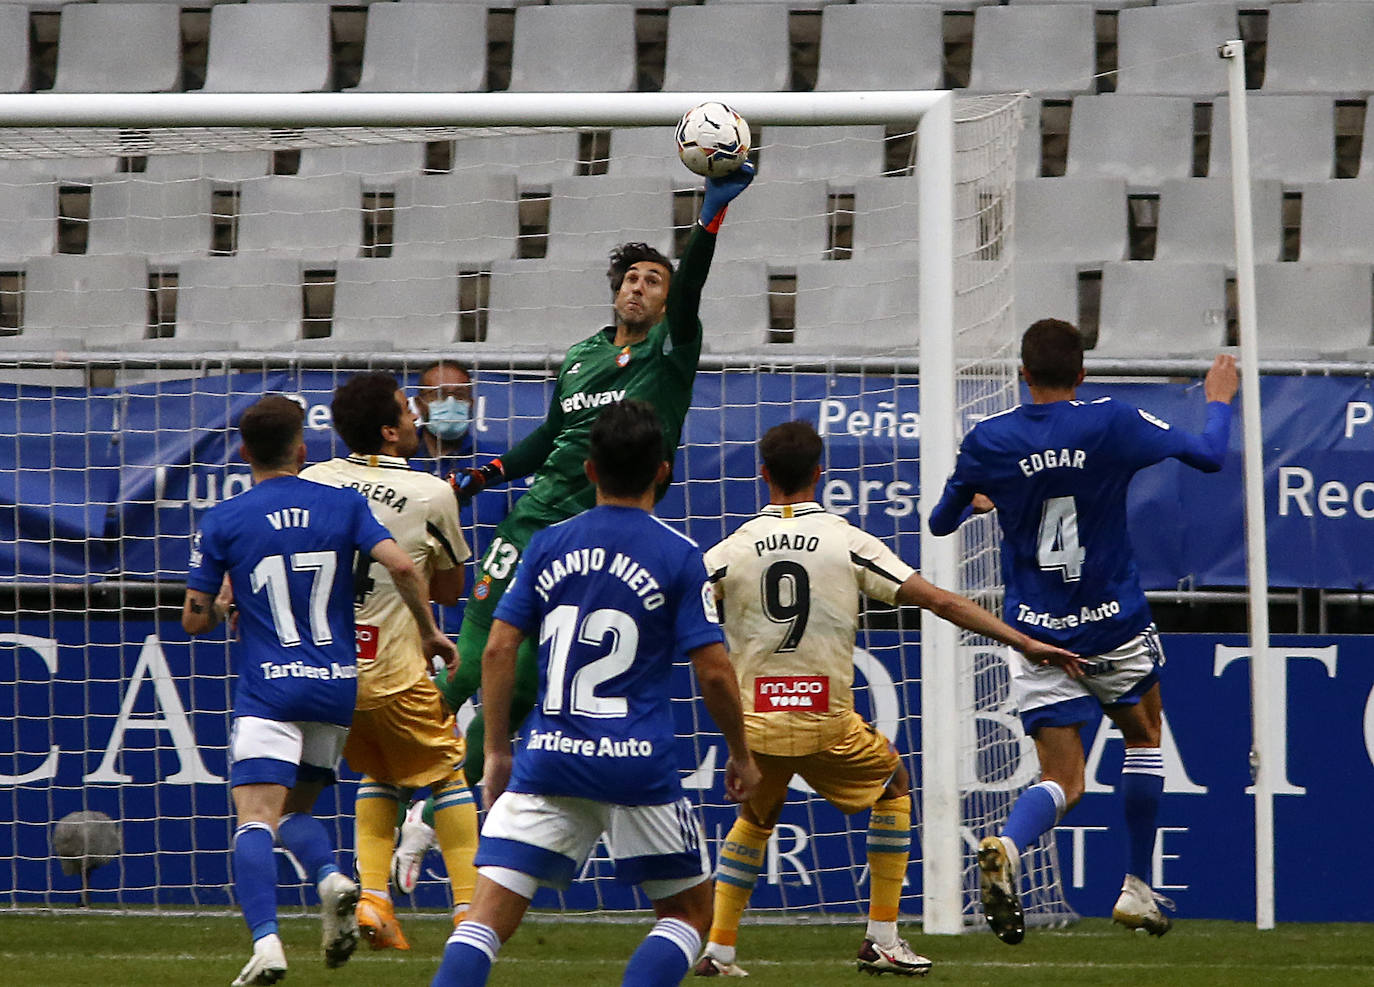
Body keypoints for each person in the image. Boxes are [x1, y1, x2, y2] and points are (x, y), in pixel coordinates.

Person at [694, 421, 1079, 978]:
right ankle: (882, 937)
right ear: (820, 474)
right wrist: (1020, 639)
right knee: (894, 783)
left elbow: (685, 615)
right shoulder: (847, 541)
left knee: (756, 814)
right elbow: (941, 602)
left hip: (757, 727)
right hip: (826, 723)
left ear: (763, 476)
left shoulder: (726, 554)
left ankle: (720, 949)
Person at [440, 164, 756, 787]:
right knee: (475, 666)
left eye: (654, 281)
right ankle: (394, 783)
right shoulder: (583, 356)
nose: (640, 288)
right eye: (632, 279)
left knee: (526, 687)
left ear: (667, 299)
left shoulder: (671, 349)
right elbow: (551, 435)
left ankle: (434, 813)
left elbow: (692, 290)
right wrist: (488, 474)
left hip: (601, 535)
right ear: (616, 293)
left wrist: (709, 219)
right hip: (536, 518)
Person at [431, 400, 762, 987]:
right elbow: (713, 672)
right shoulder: (680, 556)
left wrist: (500, 749)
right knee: (688, 914)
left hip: (550, 757)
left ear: (588, 470)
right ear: (663, 470)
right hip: (638, 768)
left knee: (484, 920)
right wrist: (740, 754)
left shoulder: (548, 544)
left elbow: (499, 650)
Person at [928, 319, 1238, 944]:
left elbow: (939, 522)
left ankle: (1011, 848)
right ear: (1081, 375)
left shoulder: (990, 439)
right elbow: (1208, 456)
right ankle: (1135, 887)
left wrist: (983, 498)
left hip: (1035, 632)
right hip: (1112, 624)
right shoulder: (1110, 421)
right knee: (1145, 735)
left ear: (1021, 374)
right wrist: (1218, 401)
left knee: (1062, 781)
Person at [181, 395, 456, 986]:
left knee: (255, 818)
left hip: (270, 690)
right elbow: (406, 569)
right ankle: (331, 877)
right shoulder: (342, 504)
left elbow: (195, 619)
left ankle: (266, 944)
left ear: (245, 453)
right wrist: (430, 634)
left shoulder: (225, 520)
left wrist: (227, 600)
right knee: (295, 810)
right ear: (302, 451)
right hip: (334, 688)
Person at [299, 372, 478, 947]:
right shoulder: (432, 493)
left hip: (330, 672)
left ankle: (374, 900)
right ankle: (470, 909)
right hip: (397, 672)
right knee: (447, 773)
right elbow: (449, 592)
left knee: (379, 772)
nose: (416, 417)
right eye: (407, 410)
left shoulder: (314, 479)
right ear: (389, 432)